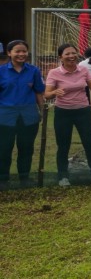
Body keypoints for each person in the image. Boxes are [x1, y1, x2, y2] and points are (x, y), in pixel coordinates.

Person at [43, 43, 91, 185]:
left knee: (89, 142)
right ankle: (63, 176)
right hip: (63, 113)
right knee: (63, 145)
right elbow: (46, 94)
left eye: (74, 53)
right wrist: (54, 92)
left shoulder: (83, 70)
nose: (71, 56)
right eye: (67, 54)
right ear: (61, 57)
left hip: (82, 111)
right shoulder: (54, 72)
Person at [0, 40, 45, 188]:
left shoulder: (34, 71)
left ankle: (24, 178)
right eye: (17, 51)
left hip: (29, 116)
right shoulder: (1, 71)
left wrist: (42, 111)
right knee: (4, 148)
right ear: (9, 53)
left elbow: (39, 92)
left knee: (26, 148)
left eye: (24, 51)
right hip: (5, 117)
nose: (21, 54)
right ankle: (3, 179)